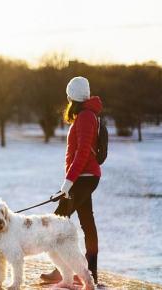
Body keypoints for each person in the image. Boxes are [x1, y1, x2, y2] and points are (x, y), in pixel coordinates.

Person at [40, 76, 103, 285]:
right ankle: (89, 272)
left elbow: (82, 152)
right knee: (87, 222)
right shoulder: (86, 115)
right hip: (84, 177)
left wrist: (67, 185)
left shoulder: (85, 116)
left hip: (84, 178)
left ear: (72, 97)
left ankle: (63, 271)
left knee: (57, 220)